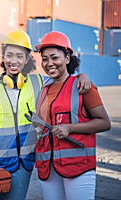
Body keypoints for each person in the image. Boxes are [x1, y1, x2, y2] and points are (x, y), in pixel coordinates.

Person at [0, 30, 91, 200]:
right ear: (3, 57)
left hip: (23, 164)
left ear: (27, 59)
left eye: (19, 56)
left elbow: (62, 77)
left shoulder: (40, 82)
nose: (14, 61)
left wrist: (81, 75)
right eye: (9, 55)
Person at [34, 31, 111, 200]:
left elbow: (105, 122)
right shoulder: (42, 89)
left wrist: (70, 128)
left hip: (78, 167)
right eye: (45, 59)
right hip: (48, 168)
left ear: (67, 58)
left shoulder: (83, 86)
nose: (49, 63)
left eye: (54, 57)